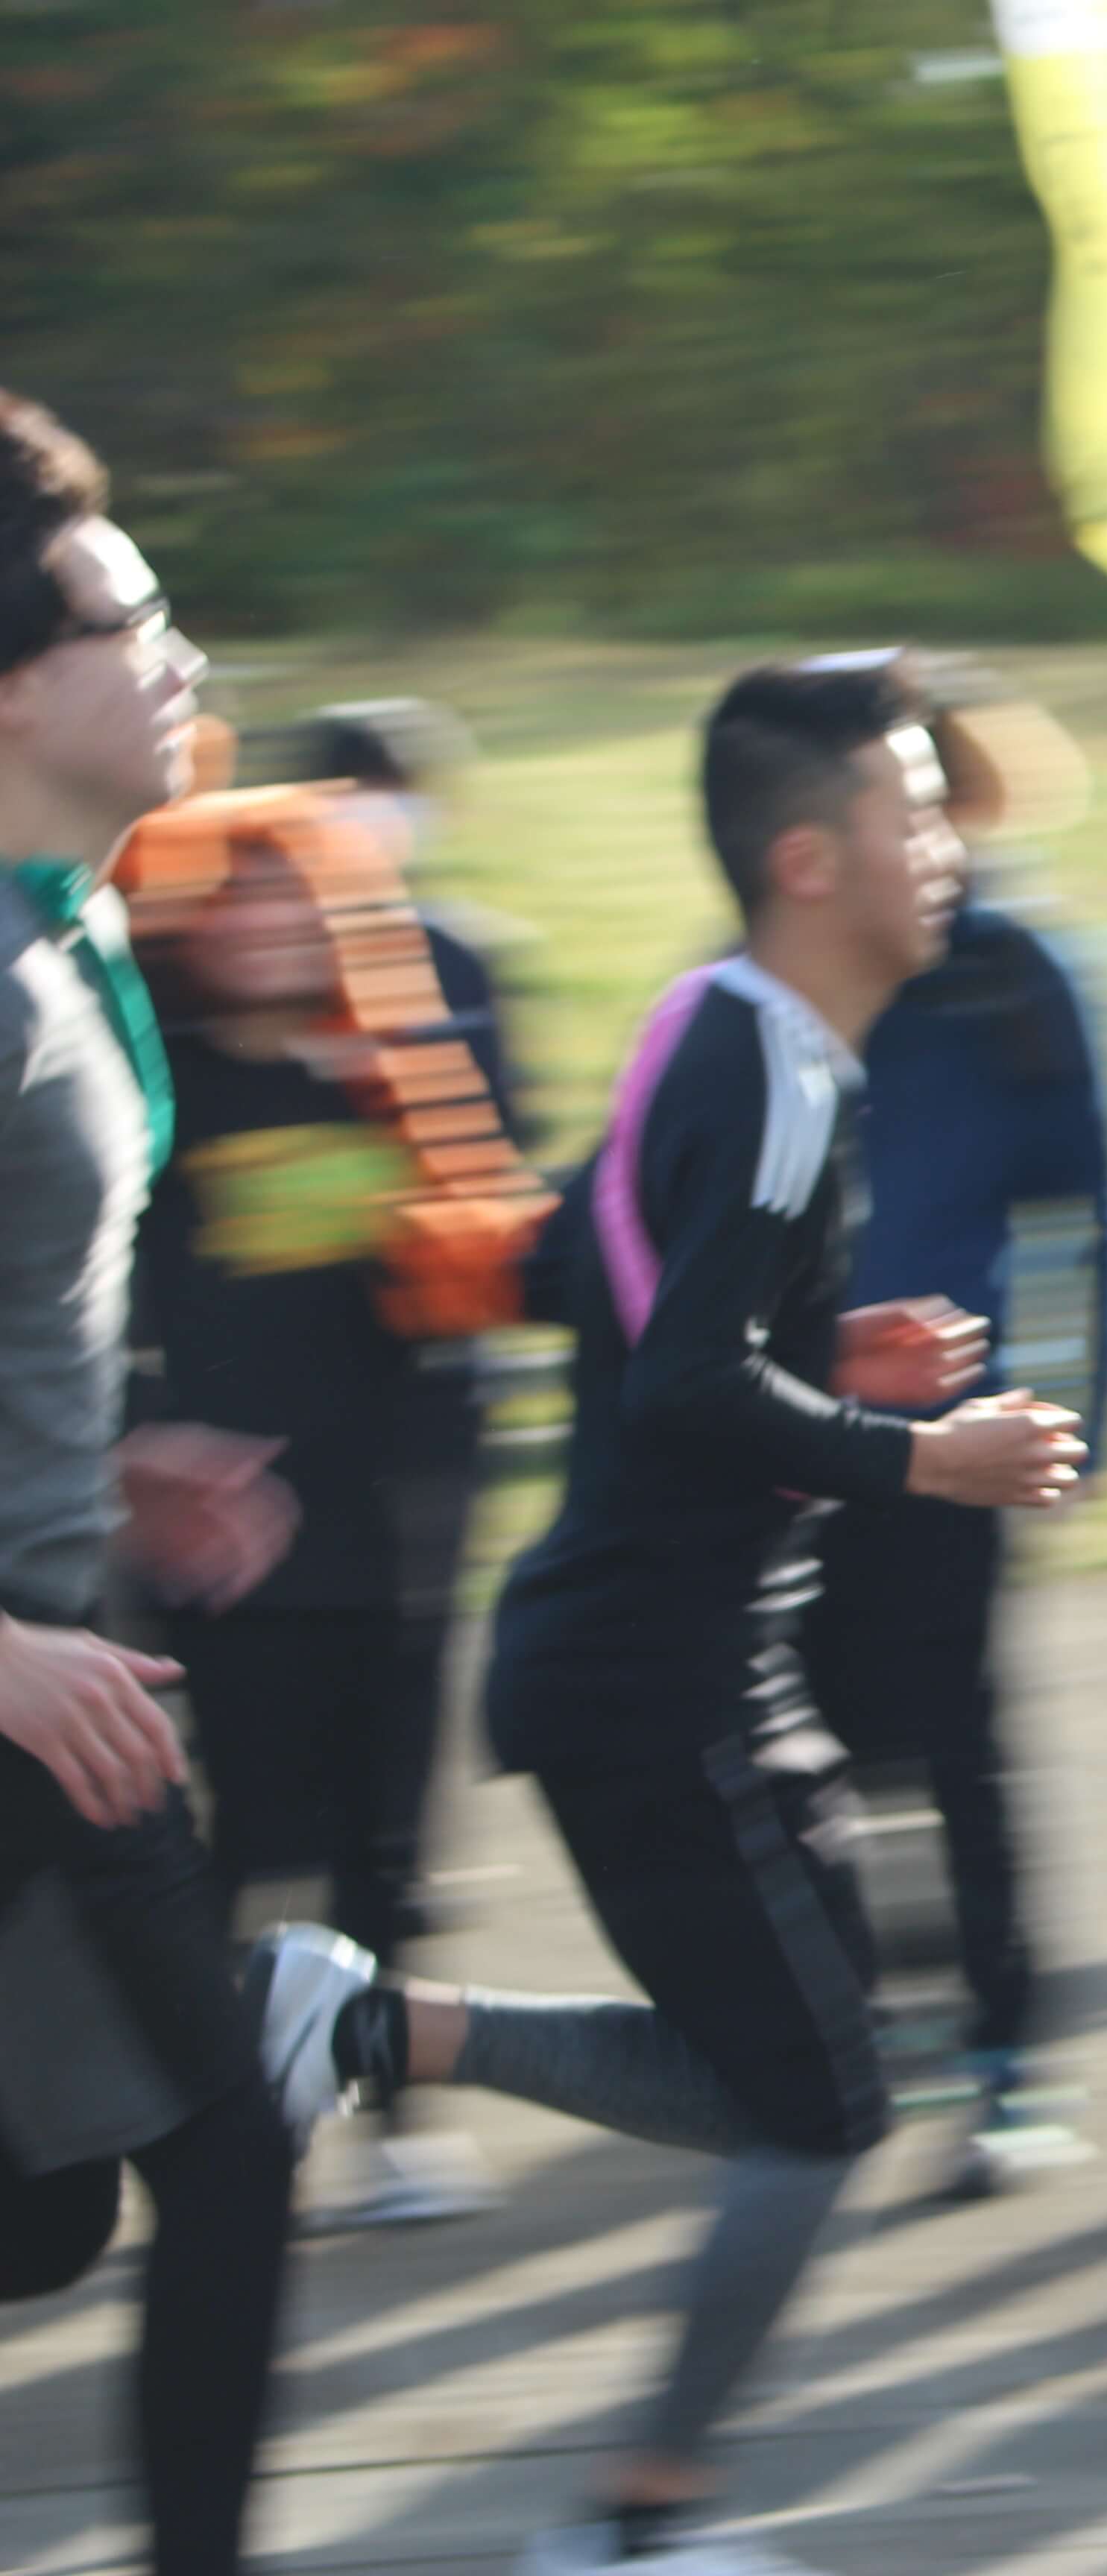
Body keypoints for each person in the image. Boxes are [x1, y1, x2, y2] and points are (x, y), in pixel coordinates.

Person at [253, 652, 1089, 2575]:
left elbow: (586, 1272)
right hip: (661, 1668)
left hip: (659, 1655)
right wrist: (923, 1456)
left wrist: (829, 1348)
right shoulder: (779, 1066)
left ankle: (371, 2019)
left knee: (778, 2075)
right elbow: (681, 1387)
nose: (947, 842)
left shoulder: (719, 1026)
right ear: (810, 858)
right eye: (910, 811)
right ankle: (635, 2528)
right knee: (819, 2100)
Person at [0, 384, 308, 2576]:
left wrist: (110, 1472)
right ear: (15, 686)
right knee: (224, 2157)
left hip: (62, 1668)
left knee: (45, 2219)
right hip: (25, 1700)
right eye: (129, 617)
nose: (179, 652)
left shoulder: (60, 939)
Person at [124, 782, 540, 2229]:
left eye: (290, 893)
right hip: (223, 1532)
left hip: (399, 1517)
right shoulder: (150, 1081)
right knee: (241, 1839)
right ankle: (221, 2117)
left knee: (386, 1840)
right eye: (231, 895)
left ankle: (391, 2115)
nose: (262, 921)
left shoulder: (394, 1066)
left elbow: (505, 1248)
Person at [798, 677, 1107, 2197]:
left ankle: (1000, 2049)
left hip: (957, 1432)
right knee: (819, 1742)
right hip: (792, 1428)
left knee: (954, 1741)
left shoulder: (1020, 979)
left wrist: (1079, 1407)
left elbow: (1090, 1219)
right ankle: (867, 2024)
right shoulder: (771, 977)